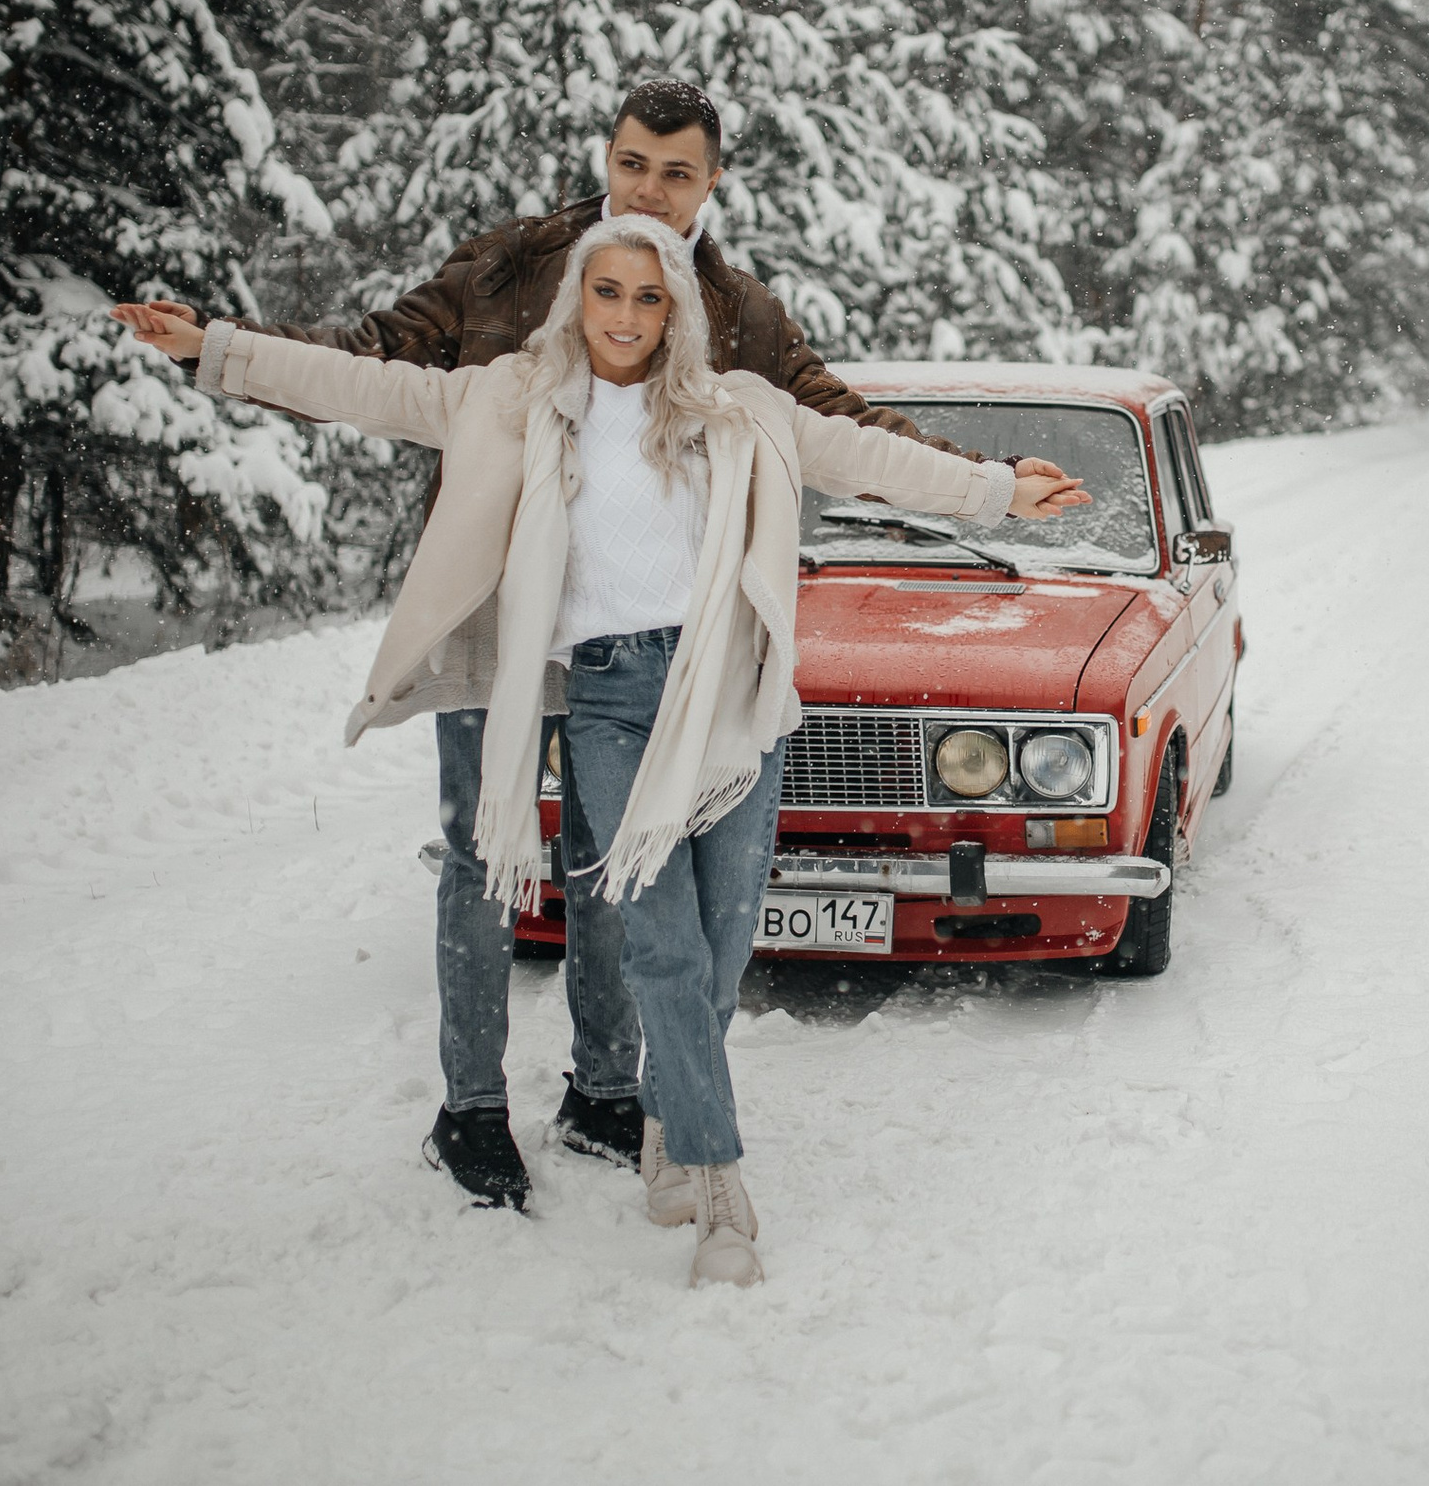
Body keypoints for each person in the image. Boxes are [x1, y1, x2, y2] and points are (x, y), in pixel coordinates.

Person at [116, 81, 1068, 1204]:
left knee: (616, 869)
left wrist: (993, 487)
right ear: (606, 159)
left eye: (675, 172)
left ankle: (607, 1090)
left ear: (711, 183)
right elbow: (373, 362)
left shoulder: (737, 315)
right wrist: (218, 349)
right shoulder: (516, 267)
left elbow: (839, 430)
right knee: (484, 854)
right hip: (514, 627)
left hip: (646, 642)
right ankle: (471, 1108)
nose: (648, 191)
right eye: (632, 164)